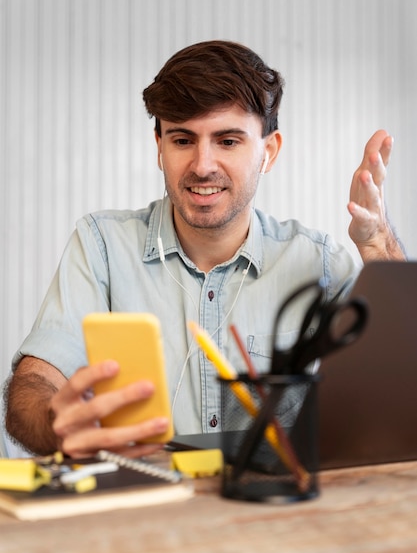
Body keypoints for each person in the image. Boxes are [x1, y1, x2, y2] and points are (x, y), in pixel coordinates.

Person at [4, 40, 406, 458]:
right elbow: (33, 388)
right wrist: (58, 425)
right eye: (182, 140)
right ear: (159, 146)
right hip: (144, 513)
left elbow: (405, 379)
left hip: (273, 515)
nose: (202, 165)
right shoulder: (101, 246)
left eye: (228, 141)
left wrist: (378, 244)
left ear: (268, 152)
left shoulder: (318, 262)